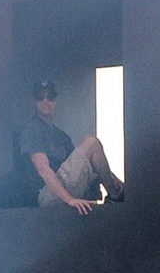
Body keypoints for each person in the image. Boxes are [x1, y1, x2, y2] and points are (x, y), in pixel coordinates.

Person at [19, 79, 125, 215]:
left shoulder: (60, 135)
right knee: (91, 143)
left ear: (55, 100)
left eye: (50, 97)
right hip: (46, 195)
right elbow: (43, 169)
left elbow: (84, 163)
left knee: (106, 171)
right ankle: (115, 197)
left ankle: (120, 193)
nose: (46, 101)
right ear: (34, 101)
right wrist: (70, 200)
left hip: (64, 186)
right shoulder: (32, 130)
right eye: (40, 97)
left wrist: (112, 178)